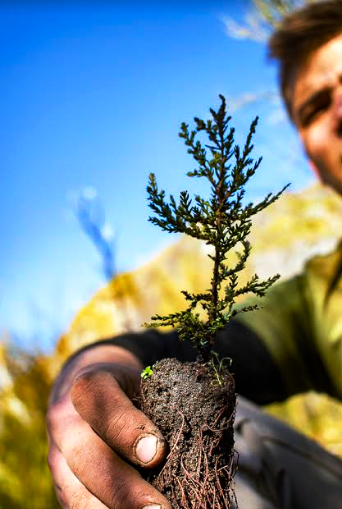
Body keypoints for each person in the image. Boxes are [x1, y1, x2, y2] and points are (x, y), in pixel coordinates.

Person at [46, 1, 342, 508]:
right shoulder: (319, 297)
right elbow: (168, 349)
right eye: (317, 105)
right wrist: (82, 395)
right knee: (195, 418)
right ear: (311, 161)